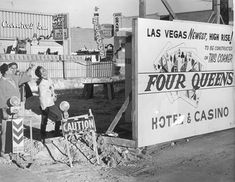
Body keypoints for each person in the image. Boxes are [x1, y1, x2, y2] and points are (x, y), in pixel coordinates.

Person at [0, 63, 32, 155]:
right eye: (11, 69)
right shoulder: (1, 83)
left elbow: (25, 78)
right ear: (6, 71)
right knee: (5, 130)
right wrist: (3, 111)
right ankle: (3, 151)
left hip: (16, 108)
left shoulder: (13, 79)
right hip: (6, 109)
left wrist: (30, 68)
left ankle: (17, 149)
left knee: (17, 128)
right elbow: (1, 98)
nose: (13, 71)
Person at [35, 66, 62, 140]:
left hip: (50, 102)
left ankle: (43, 133)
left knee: (44, 119)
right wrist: (44, 107)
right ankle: (56, 133)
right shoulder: (42, 84)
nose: (45, 71)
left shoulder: (49, 80)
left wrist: (54, 96)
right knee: (59, 116)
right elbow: (41, 96)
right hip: (47, 104)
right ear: (41, 75)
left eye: (44, 70)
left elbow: (51, 89)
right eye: (42, 71)